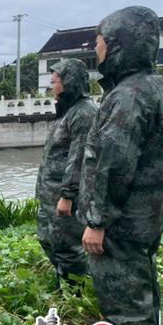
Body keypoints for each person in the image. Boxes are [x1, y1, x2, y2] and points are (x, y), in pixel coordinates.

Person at [78, 6, 163, 325]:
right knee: (142, 294)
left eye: (100, 42)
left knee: (124, 307)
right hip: (145, 216)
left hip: (121, 223)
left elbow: (114, 165)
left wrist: (97, 222)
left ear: (117, 46)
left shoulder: (128, 96)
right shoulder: (158, 86)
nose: (97, 50)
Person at [36, 58, 97, 289]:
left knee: (68, 247)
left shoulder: (84, 113)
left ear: (69, 82)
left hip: (66, 199)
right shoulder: (66, 111)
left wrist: (68, 195)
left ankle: (74, 293)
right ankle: (64, 282)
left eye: (55, 81)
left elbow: (79, 157)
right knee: (47, 239)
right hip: (50, 195)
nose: (52, 86)